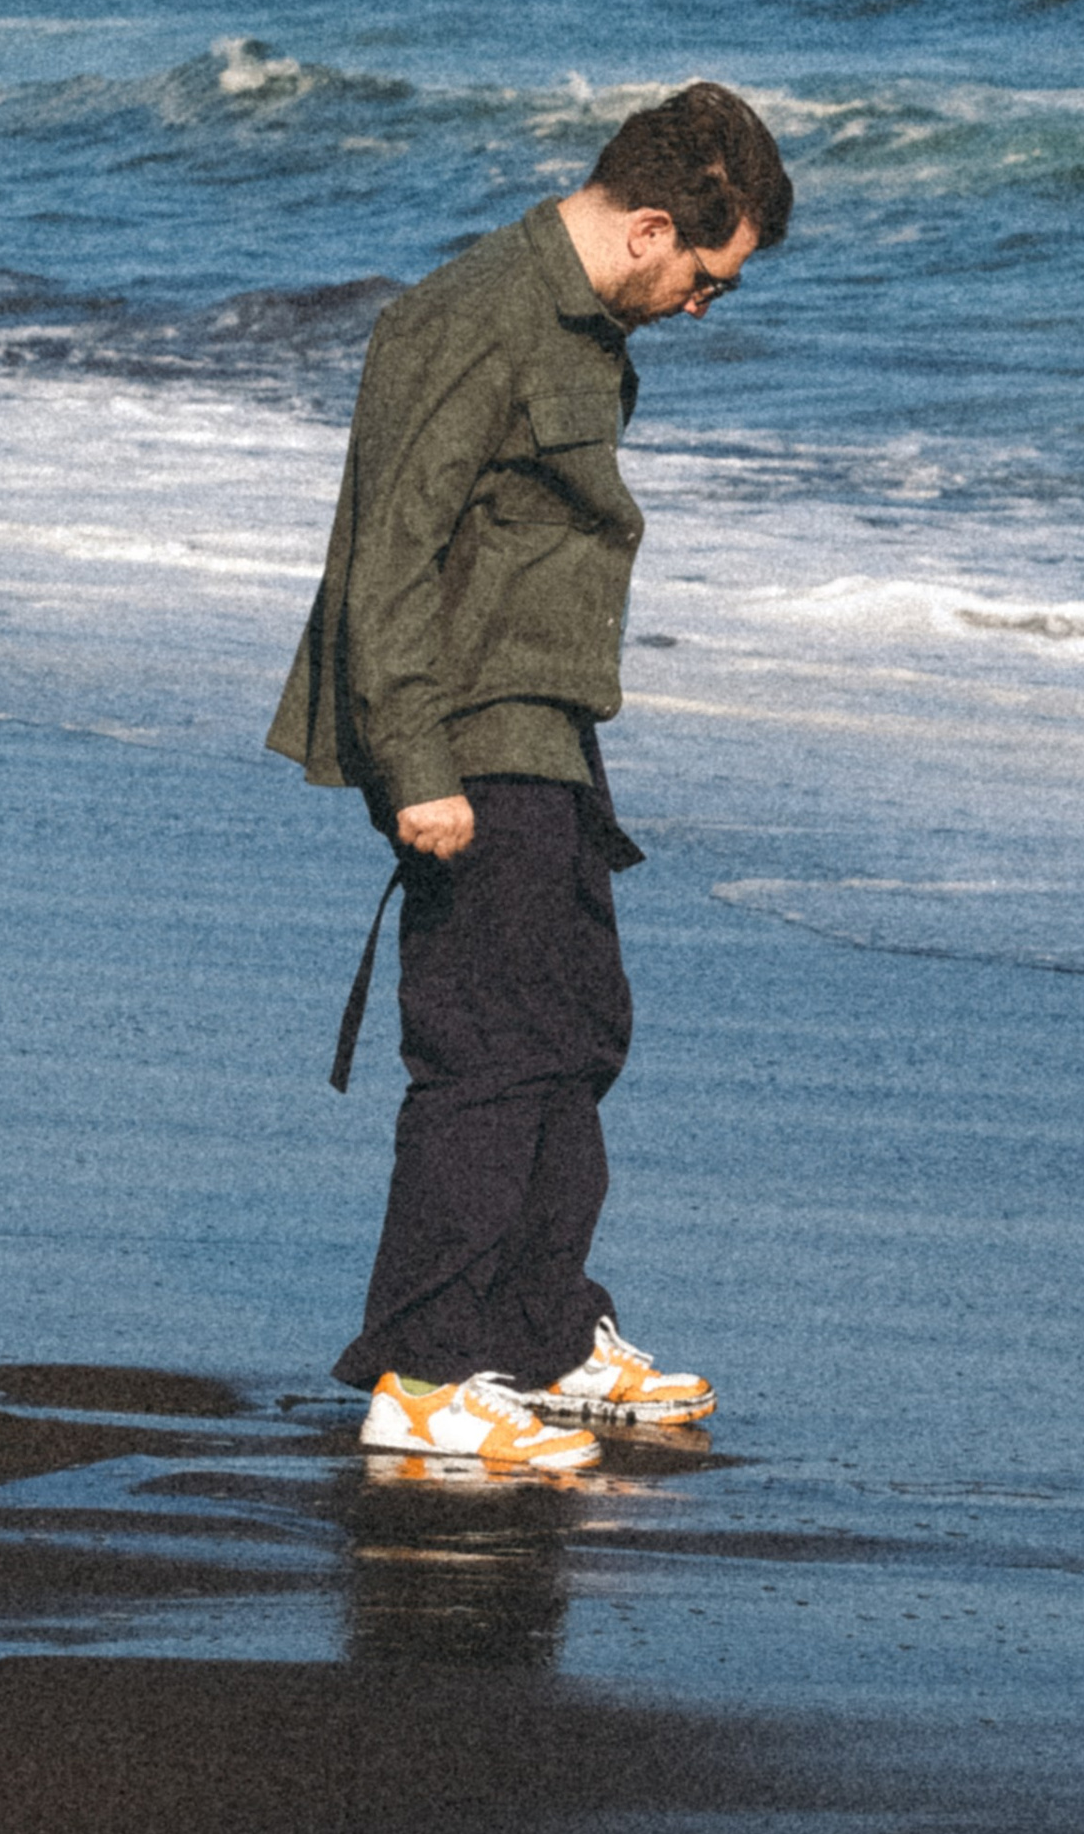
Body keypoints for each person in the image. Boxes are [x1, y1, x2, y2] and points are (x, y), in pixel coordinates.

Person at [268, 80, 794, 1477]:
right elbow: (388, 558)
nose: (698, 308)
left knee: (576, 1028)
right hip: (469, 736)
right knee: (489, 1052)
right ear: (654, 227)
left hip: (547, 731)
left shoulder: (566, 322)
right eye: (706, 279)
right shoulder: (472, 318)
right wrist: (417, 768)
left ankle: (546, 1333)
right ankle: (428, 1375)